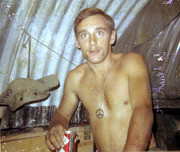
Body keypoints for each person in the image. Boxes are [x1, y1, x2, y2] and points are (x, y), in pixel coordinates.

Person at [45, 7, 157, 151]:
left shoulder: (131, 63)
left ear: (112, 37)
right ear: (77, 42)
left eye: (99, 33)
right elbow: (61, 114)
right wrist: (55, 127)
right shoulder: (75, 78)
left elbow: (143, 110)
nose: (92, 42)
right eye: (84, 35)